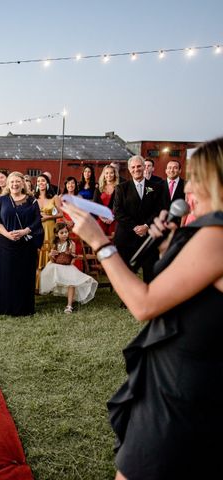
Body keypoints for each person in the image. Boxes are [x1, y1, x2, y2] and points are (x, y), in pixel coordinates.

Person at [61, 136, 223, 480]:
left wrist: (99, 241)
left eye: (196, 177)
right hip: (176, 376)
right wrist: (166, 245)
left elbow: (144, 303)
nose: (188, 186)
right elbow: (189, 291)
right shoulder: (210, 232)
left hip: (183, 386)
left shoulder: (218, 236)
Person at [0, 172, 43, 316]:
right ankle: (2, 308)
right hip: (5, 244)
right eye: (12, 182)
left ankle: (24, 309)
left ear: (23, 183)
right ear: (8, 184)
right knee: (6, 274)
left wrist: (25, 231)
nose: (15, 184)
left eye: (18, 181)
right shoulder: (2, 200)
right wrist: (7, 234)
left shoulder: (32, 201)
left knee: (24, 275)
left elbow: (37, 221)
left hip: (26, 245)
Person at [113, 155, 162, 283]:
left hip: (148, 235)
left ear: (144, 167)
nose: (136, 169)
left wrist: (146, 226)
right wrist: (135, 227)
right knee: (127, 270)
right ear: (129, 169)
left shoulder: (156, 187)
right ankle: (127, 298)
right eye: (133, 167)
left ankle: (151, 295)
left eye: (139, 166)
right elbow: (118, 212)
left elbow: (159, 210)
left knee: (150, 269)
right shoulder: (121, 188)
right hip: (126, 235)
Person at [39, 223, 98, 313]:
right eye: (62, 233)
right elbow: (53, 260)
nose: (65, 234)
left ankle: (69, 305)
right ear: (56, 234)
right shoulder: (55, 244)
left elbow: (73, 259)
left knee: (71, 283)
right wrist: (50, 255)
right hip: (55, 266)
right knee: (47, 275)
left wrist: (72, 255)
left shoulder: (71, 244)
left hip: (67, 266)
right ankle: (66, 296)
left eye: (66, 232)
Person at [93, 164, 119, 237]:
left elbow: (121, 205)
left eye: (111, 173)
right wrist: (101, 217)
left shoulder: (119, 188)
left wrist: (113, 217)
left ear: (114, 174)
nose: (109, 175)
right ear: (103, 175)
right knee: (99, 238)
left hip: (114, 217)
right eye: (106, 173)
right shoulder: (98, 188)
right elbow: (95, 205)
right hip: (101, 217)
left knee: (114, 239)